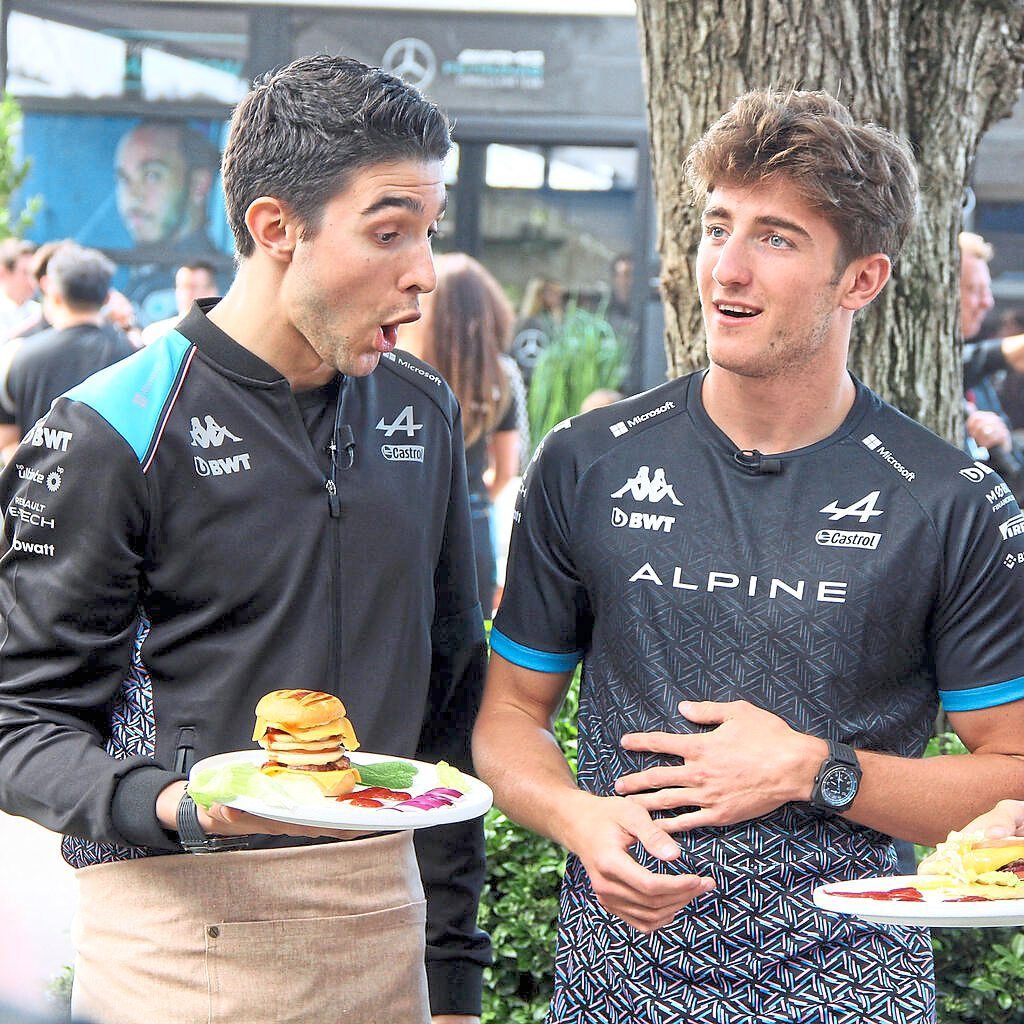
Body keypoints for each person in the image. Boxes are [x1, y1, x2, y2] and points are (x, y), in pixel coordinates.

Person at [472, 88, 1024, 1023]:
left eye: (775, 237)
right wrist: (578, 817)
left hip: (854, 986)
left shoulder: (948, 501)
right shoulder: (588, 459)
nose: (726, 266)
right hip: (620, 983)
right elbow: (508, 718)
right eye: (716, 225)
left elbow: (1011, 776)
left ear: (861, 280)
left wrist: (818, 769)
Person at [0, 55, 489, 1024]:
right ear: (275, 228)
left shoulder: (424, 411)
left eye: (427, 234)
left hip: (381, 924)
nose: (423, 273)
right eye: (389, 231)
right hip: (180, 938)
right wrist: (178, 805)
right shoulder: (113, 425)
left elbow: (447, 697)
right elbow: (17, 722)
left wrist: (454, 972)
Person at [399, 253, 523, 614]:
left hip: (410, 526)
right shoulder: (500, 379)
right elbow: (504, 471)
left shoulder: (402, 374)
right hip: (472, 528)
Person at [0, 244, 133, 461]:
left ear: (56, 294)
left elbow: (6, 440)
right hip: (111, 488)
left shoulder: (17, 354)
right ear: (106, 297)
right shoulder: (132, 354)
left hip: (39, 487)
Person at [957, 232, 1024, 492]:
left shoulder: (980, 384)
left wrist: (1004, 443)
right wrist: (1008, 352)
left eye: (987, 290)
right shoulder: (970, 367)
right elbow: (969, 363)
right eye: (974, 290)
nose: (987, 302)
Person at [114, 121, 220, 252]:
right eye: (124, 179)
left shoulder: (220, 271)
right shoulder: (123, 266)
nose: (133, 195)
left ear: (199, 184)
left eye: (151, 176)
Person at [139, 259, 221, 345]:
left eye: (194, 287)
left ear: (212, 291)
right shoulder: (155, 334)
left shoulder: (225, 333)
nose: (187, 294)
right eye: (182, 287)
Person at [0, 240, 39, 338]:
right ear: (3, 273)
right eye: (25, 272)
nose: (33, 280)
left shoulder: (39, 312)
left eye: (34, 273)